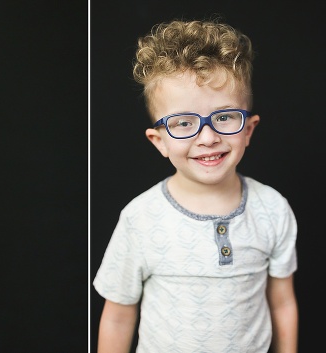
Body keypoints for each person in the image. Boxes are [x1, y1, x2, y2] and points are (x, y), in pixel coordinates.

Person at [93, 18, 298, 352]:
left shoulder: (272, 208)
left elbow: (282, 304)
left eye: (225, 116)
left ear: (249, 129)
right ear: (158, 141)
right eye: (184, 122)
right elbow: (118, 317)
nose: (208, 137)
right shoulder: (140, 218)